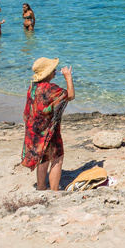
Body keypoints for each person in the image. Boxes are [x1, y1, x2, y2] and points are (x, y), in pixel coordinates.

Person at [21, 57, 75, 191]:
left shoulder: (33, 86)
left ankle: (41, 187)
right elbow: (70, 95)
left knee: (43, 158)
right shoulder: (51, 89)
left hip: (34, 129)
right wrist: (68, 77)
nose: (55, 71)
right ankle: (54, 191)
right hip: (48, 129)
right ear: (47, 73)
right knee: (57, 158)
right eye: (53, 70)